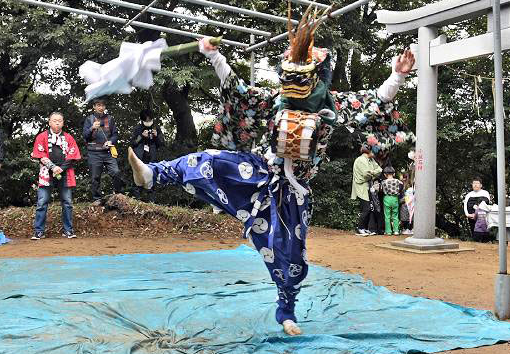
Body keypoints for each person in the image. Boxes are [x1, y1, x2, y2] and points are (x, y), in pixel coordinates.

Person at [128, 25, 415, 336]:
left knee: (291, 257)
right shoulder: (277, 100)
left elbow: (374, 100)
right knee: (207, 161)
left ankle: (286, 312)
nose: (293, 84)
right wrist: (214, 56)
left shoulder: (332, 106)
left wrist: (397, 76)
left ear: (317, 77)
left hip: (295, 193)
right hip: (259, 171)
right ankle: (152, 174)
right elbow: (240, 92)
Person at [31, 112, 81, 240]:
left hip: (65, 171)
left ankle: (68, 230)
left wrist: (61, 169)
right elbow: (40, 155)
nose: (57, 122)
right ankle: (39, 231)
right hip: (46, 172)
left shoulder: (69, 137)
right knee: (42, 202)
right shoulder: (41, 136)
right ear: (49, 122)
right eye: (54, 120)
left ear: (63, 123)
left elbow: (73, 155)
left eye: (60, 120)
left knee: (67, 202)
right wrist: (53, 167)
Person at [82, 99, 122, 205]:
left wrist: (111, 141)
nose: (101, 107)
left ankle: (118, 195)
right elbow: (85, 136)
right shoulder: (89, 119)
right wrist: (92, 128)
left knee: (116, 172)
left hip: (108, 152)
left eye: (103, 105)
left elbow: (115, 134)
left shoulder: (110, 119)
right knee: (95, 177)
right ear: (94, 107)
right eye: (98, 105)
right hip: (93, 152)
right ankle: (97, 199)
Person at [130, 109, 164, 201]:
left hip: (152, 158)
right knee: (138, 180)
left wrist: (156, 136)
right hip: (140, 158)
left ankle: (152, 202)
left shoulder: (156, 128)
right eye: (146, 120)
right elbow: (132, 143)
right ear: (142, 120)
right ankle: (136, 200)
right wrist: (141, 136)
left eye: (150, 120)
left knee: (152, 179)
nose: (148, 122)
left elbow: (161, 144)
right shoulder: (138, 128)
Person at [352, 146, 382, 236]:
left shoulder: (371, 160)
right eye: (374, 152)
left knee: (370, 208)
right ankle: (360, 228)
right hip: (362, 187)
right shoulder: (361, 160)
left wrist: (371, 173)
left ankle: (364, 228)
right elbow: (366, 174)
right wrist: (373, 173)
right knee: (367, 208)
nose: (375, 154)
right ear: (369, 151)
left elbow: (379, 170)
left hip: (369, 186)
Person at [381, 166, 403, 235]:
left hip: (387, 198)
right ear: (394, 174)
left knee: (387, 215)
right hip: (395, 198)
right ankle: (396, 230)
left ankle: (388, 231)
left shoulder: (383, 182)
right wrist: (398, 192)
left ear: (385, 174)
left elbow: (381, 190)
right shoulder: (398, 181)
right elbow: (401, 187)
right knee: (395, 215)